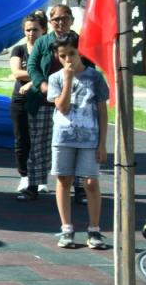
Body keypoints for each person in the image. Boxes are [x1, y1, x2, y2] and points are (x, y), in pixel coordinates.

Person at [47, 35, 110, 249]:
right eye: (62, 56)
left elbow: (102, 111)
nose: (68, 59)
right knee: (64, 179)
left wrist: (102, 143)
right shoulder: (56, 78)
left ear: (79, 52)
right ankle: (66, 228)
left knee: (91, 182)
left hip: (89, 137)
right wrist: (67, 80)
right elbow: (62, 107)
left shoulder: (95, 77)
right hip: (64, 137)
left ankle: (94, 230)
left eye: (71, 54)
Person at [27, 5, 87, 205]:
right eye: (56, 19)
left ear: (72, 19)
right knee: (39, 145)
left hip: (74, 104)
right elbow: (33, 66)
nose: (60, 23)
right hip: (44, 102)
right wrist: (42, 86)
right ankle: (34, 185)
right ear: (50, 22)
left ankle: (79, 189)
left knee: (75, 144)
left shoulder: (81, 42)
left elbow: (89, 66)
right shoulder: (43, 42)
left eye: (65, 18)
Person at [12, 13, 48, 200]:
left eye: (35, 29)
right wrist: (38, 75)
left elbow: (51, 71)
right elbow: (17, 73)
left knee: (41, 140)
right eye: (28, 30)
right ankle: (25, 176)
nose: (31, 33)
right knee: (22, 139)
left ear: (43, 30)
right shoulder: (19, 50)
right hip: (21, 98)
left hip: (42, 99)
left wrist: (33, 80)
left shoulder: (48, 49)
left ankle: (41, 178)